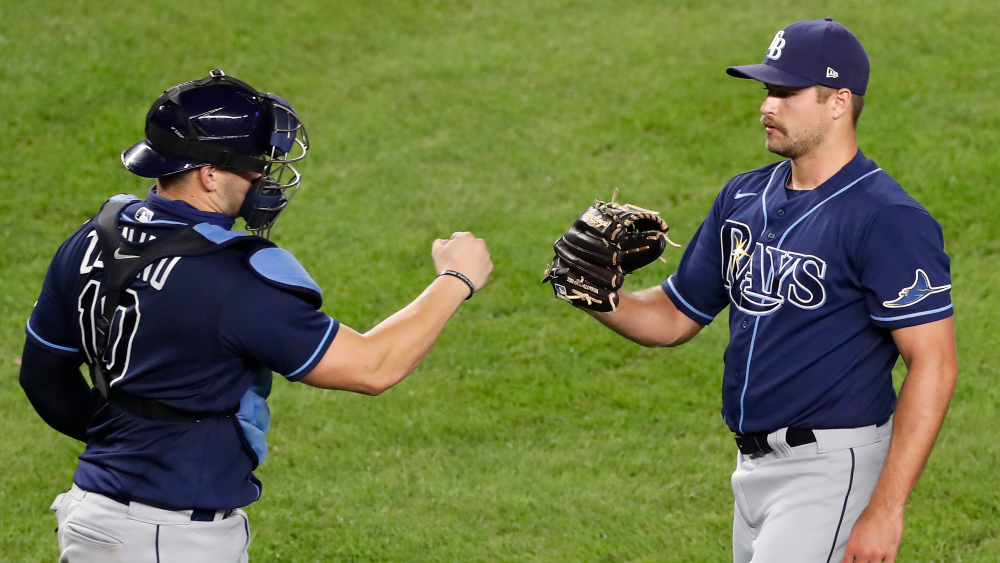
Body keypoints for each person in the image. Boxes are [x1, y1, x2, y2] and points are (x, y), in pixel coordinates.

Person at [19, 69, 493, 563]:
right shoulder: (234, 277)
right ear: (209, 173)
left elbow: (42, 375)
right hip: (169, 539)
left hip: (92, 516)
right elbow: (372, 367)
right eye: (257, 165)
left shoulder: (92, 237)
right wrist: (455, 280)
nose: (266, 177)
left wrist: (132, 442)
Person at [551, 19, 957, 563]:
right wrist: (599, 298)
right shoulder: (743, 195)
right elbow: (674, 315)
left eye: (787, 93)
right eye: (768, 89)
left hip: (832, 469)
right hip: (752, 472)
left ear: (838, 102)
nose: (768, 105)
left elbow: (934, 363)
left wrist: (886, 509)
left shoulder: (886, 219)